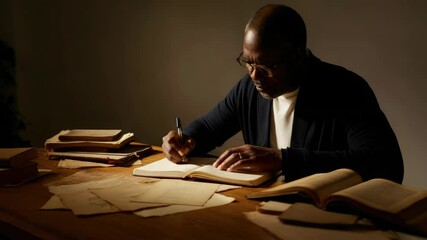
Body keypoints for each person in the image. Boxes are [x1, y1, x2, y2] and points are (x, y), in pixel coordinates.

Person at [161, 4, 404, 183]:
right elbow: (208, 127)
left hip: (325, 219)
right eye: (247, 62)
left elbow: (386, 164)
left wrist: (284, 159)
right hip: (264, 210)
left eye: (266, 67)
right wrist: (186, 139)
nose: (254, 75)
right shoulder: (249, 89)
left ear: (298, 56)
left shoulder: (345, 90)